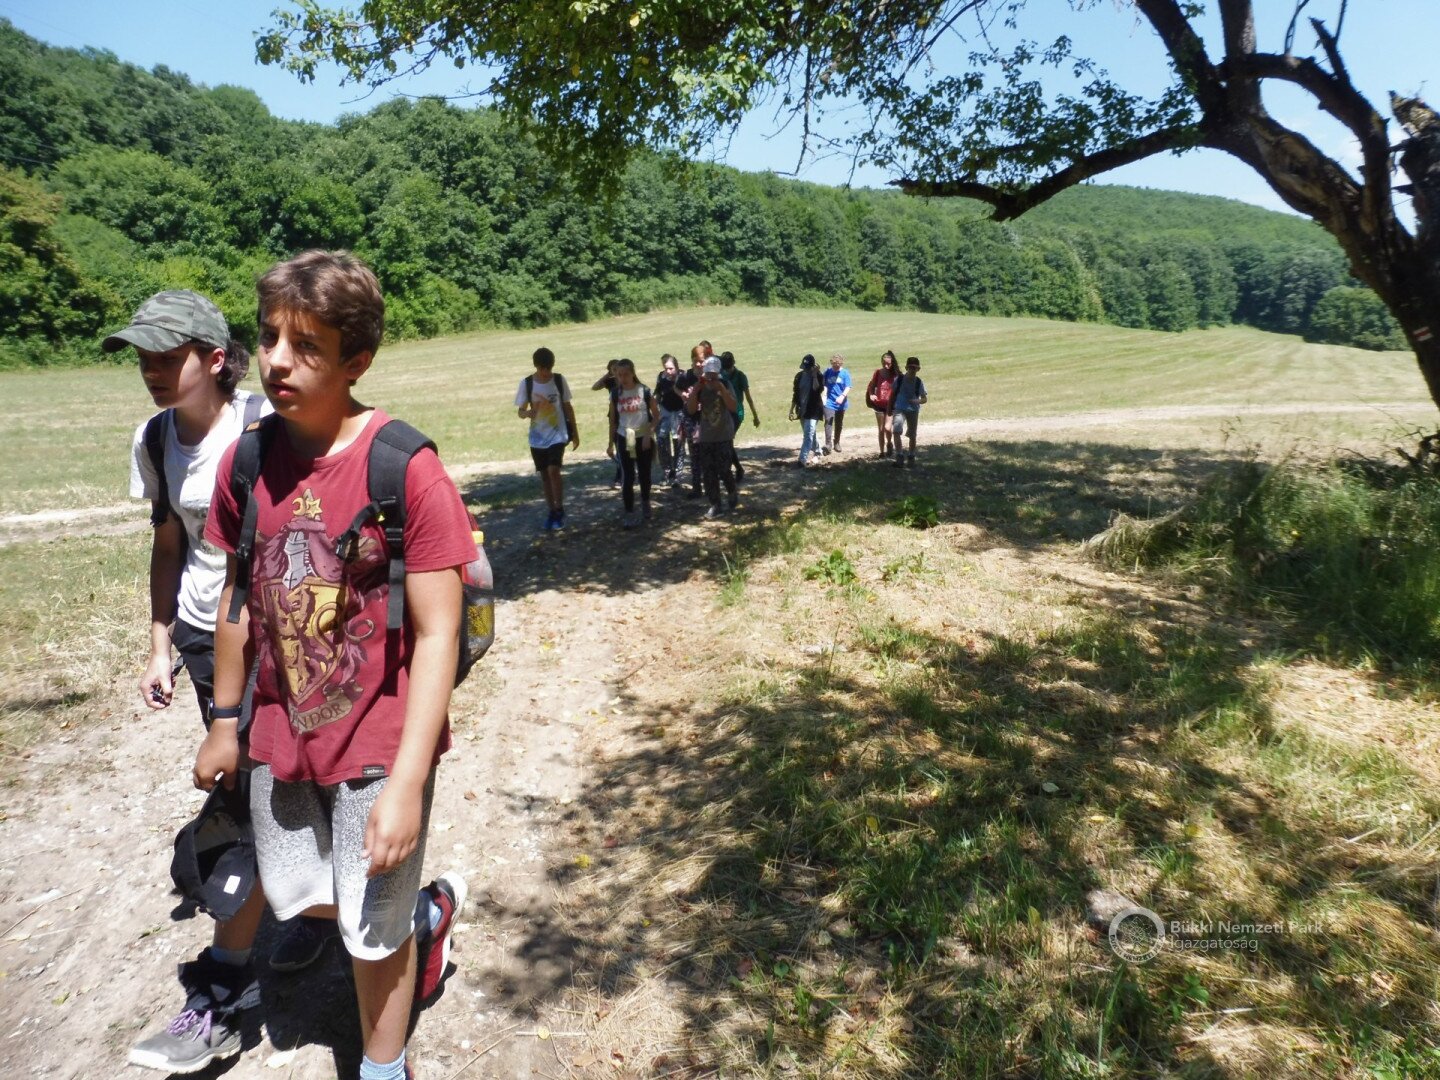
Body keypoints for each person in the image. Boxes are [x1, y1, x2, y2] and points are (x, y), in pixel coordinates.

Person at [199, 250, 471, 1080]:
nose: (277, 361)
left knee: (371, 933)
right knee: (304, 898)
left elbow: (438, 633)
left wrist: (408, 783)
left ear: (358, 360)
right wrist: (224, 721)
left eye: (306, 345)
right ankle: (425, 917)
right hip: (281, 739)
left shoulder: (405, 468)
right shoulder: (247, 461)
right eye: (269, 337)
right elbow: (239, 595)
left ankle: (385, 1066)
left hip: (377, 745)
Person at [112, 291, 323, 1074]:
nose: (152, 371)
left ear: (214, 358)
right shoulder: (155, 438)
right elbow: (169, 543)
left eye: (167, 357)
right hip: (210, 639)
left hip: (287, 635)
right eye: (143, 358)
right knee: (257, 791)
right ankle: (244, 970)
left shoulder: (266, 426)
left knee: (289, 787)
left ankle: (244, 968)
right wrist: (160, 644)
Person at [516, 346, 580, 530]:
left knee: (553, 470)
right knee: (544, 475)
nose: (546, 373)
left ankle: (560, 508)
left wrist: (575, 433)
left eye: (549, 369)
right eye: (543, 369)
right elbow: (520, 411)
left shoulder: (559, 380)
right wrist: (527, 413)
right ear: (536, 366)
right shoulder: (527, 383)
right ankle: (551, 511)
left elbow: (568, 407)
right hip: (537, 438)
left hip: (558, 434)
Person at [607, 358, 661, 527]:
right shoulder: (615, 394)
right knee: (628, 476)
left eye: (626, 374)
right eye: (619, 375)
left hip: (643, 436)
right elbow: (613, 421)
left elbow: (656, 416)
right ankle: (629, 512)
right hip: (626, 436)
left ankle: (645, 502)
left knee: (644, 473)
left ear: (632, 373)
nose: (623, 378)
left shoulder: (644, 391)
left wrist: (648, 434)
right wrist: (610, 444)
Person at [685, 355, 738, 518]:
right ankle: (715, 504)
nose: (711, 378)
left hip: (724, 435)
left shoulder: (725, 384)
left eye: (714, 375)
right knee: (708, 473)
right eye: (708, 374)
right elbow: (691, 410)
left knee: (724, 470)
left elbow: (733, 407)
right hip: (706, 436)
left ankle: (731, 491)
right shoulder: (700, 387)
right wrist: (696, 390)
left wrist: (721, 389)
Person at [719, 351, 759, 482]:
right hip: (726, 412)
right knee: (726, 442)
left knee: (727, 441)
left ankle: (733, 469)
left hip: (738, 412)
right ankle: (734, 469)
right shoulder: (722, 375)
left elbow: (748, 398)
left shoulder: (740, 376)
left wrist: (755, 416)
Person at [677, 346, 707, 497]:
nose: (699, 364)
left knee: (707, 453)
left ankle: (709, 486)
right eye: (696, 361)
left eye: (701, 361)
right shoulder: (686, 376)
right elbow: (676, 388)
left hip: (707, 419)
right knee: (694, 454)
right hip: (690, 418)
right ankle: (696, 488)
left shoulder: (710, 376)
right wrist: (682, 394)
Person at [654, 353, 686, 486]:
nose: (668, 371)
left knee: (678, 442)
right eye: (666, 368)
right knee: (661, 441)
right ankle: (667, 470)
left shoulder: (683, 376)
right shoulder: (661, 376)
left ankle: (678, 473)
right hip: (665, 412)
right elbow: (657, 393)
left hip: (679, 412)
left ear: (676, 367)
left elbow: (686, 396)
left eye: (671, 368)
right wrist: (654, 409)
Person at [891, 355, 929, 468]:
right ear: (906, 368)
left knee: (912, 435)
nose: (912, 370)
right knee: (896, 431)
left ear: (918, 369)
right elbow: (892, 395)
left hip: (913, 410)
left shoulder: (919, 382)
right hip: (899, 408)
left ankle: (911, 456)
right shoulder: (899, 379)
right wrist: (889, 409)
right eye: (911, 367)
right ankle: (899, 456)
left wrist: (916, 401)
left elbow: (924, 399)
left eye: (915, 368)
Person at [591, 359, 622, 488]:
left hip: (628, 416)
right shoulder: (610, 382)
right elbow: (595, 387)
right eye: (613, 369)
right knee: (618, 445)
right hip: (614, 415)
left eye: (618, 368)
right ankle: (621, 476)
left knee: (630, 447)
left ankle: (626, 473)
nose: (616, 371)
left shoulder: (627, 381)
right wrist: (607, 375)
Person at [865, 350, 901, 458]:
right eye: (884, 363)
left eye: (888, 363)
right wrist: (871, 395)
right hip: (879, 404)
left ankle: (889, 443)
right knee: (881, 429)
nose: (886, 366)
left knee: (887, 428)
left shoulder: (897, 375)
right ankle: (881, 452)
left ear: (892, 362)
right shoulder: (878, 372)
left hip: (891, 405)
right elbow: (872, 386)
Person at [790, 354, 824, 467]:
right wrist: (791, 410)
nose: (805, 370)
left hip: (813, 410)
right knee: (810, 433)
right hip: (802, 410)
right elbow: (795, 394)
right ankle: (818, 452)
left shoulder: (819, 376)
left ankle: (802, 459)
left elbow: (817, 389)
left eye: (808, 368)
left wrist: (814, 376)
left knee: (808, 435)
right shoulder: (799, 376)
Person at [822, 353, 852, 454]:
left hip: (841, 403)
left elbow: (848, 387)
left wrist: (842, 396)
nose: (835, 368)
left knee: (839, 423)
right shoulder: (827, 372)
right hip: (829, 402)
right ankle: (828, 444)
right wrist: (824, 395)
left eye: (837, 366)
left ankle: (837, 442)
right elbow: (824, 384)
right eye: (834, 366)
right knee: (828, 421)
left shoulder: (845, 373)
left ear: (841, 364)